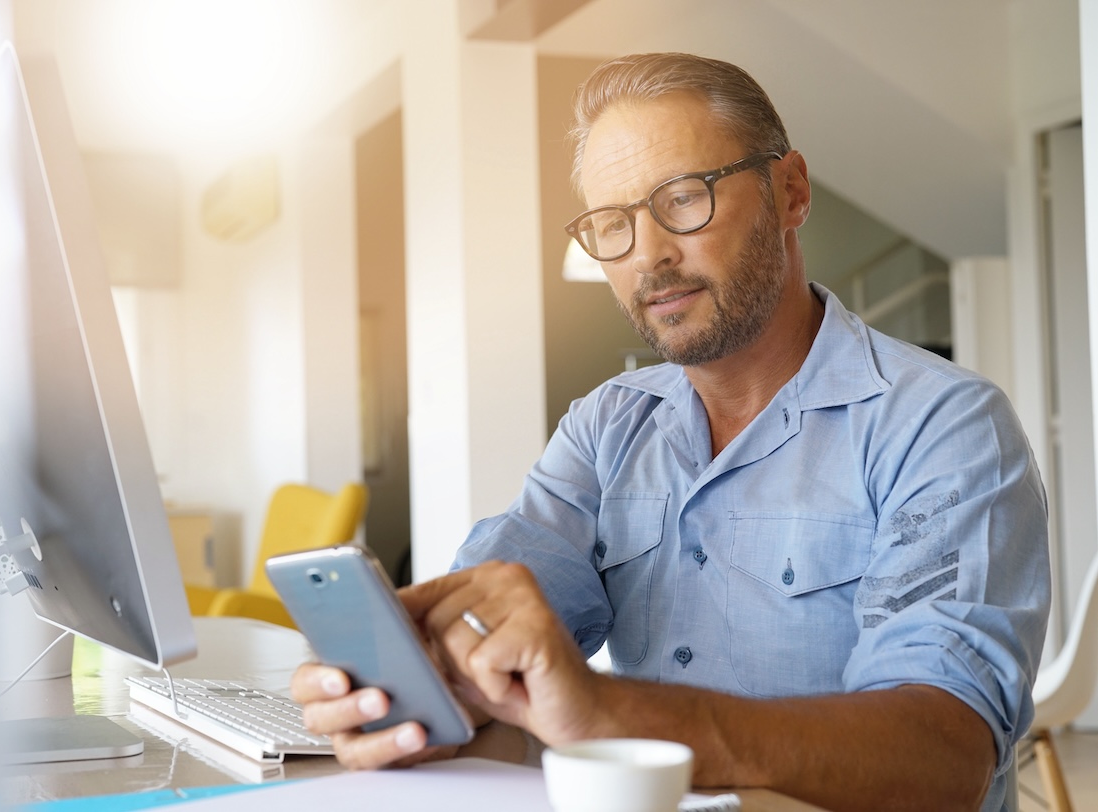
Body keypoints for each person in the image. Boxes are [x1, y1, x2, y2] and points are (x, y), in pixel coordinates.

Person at [293, 52, 1050, 811]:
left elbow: (942, 758)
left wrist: (611, 711)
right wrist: (412, 689)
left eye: (683, 199)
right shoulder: (607, 426)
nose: (647, 254)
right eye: (611, 225)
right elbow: (489, 649)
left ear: (789, 192)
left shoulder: (942, 426)